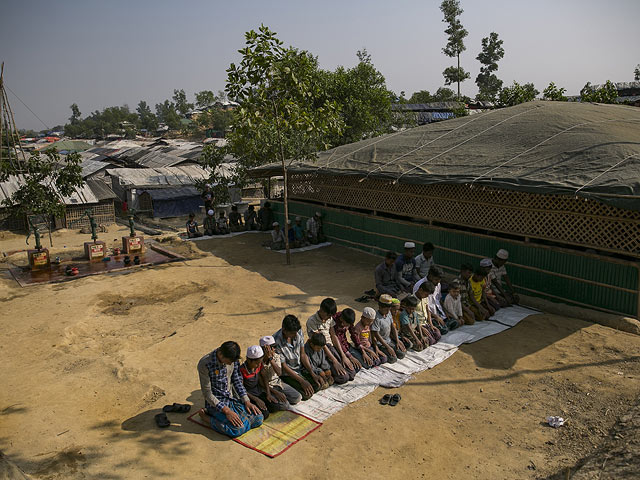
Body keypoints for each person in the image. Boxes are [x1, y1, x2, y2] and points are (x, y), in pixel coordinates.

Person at [197, 341, 263, 438]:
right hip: (215, 404)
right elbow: (207, 393)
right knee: (237, 429)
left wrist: (247, 401)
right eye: (229, 362)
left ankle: (243, 423)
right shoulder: (205, 364)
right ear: (221, 355)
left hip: (231, 399)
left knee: (258, 418)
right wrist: (227, 411)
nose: (231, 364)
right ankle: (207, 418)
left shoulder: (234, 360)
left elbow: (236, 381)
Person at [273, 314, 317, 400]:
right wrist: (302, 381)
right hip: (287, 373)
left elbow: (303, 354)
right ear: (284, 330)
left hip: (299, 368)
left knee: (317, 384)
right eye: (292, 333)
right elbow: (284, 367)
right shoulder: (276, 341)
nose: (295, 335)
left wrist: (312, 372)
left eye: (295, 332)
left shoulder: (298, 332)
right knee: (306, 394)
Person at [306, 298, 351, 384]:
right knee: (344, 378)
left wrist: (343, 355)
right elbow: (321, 344)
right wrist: (334, 361)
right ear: (322, 311)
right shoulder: (312, 321)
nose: (329, 318)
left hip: (331, 348)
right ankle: (326, 371)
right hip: (322, 349)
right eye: (328, 315)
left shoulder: (329, 319)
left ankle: (332, 370)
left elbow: (333, 336)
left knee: (351, 373)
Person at [259, 335, 301, 411]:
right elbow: (262, 383)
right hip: (267, 387)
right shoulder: (258, 361)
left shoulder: (275, 356)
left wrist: (271, 359)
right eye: (272, 347)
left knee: (297, 397)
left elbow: (279, 373)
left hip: (278, 383)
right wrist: (276, 392)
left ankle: (281, 397)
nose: (274, 349)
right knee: (284, 405)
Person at [371, 294, 406, 363]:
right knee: (393, 359)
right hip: (381, 343)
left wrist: (397, 340)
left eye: (389, 308)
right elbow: (376, 335)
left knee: (401, 354)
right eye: (386, 308)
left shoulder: (389, 313)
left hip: (388, 340)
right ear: (380, 307)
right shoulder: (376, 318)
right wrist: (387, 347)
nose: (388, 310)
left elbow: (393, 327)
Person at [239, 345, 271, 420]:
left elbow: (264, 378)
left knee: (276, 405)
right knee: (264, 414)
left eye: (260, 363)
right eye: (256, 363)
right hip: (249, 396)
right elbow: (241, 390)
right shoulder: (241, 370)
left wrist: (268, 393)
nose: (259, 365)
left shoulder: (259, 365)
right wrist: (256, 399)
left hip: (259, 392)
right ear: (249, 360)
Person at [329, 308, 361, 378]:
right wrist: (348, 356)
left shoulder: (349, 321)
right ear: (341, 319)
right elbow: (336, 339)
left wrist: (360, 347)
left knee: (358, 367)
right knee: (348, 375)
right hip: (337, 348)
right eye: (344, 323)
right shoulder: (334, 320)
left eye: (347, 325)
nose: (344, 325)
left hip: (346, 346)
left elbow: (353, 333)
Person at [426, 267, 459, 333]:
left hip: (439, 313)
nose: (438, 282)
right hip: (429, 316)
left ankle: (443, 324)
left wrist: (445, 312)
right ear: (430, 276)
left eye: (439, 280)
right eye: (436, 280)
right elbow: (423, 307)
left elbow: (439, 299)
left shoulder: (438, 284)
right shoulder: (421, 285)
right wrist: (436, 317)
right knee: (443, 330)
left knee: (456, 323)